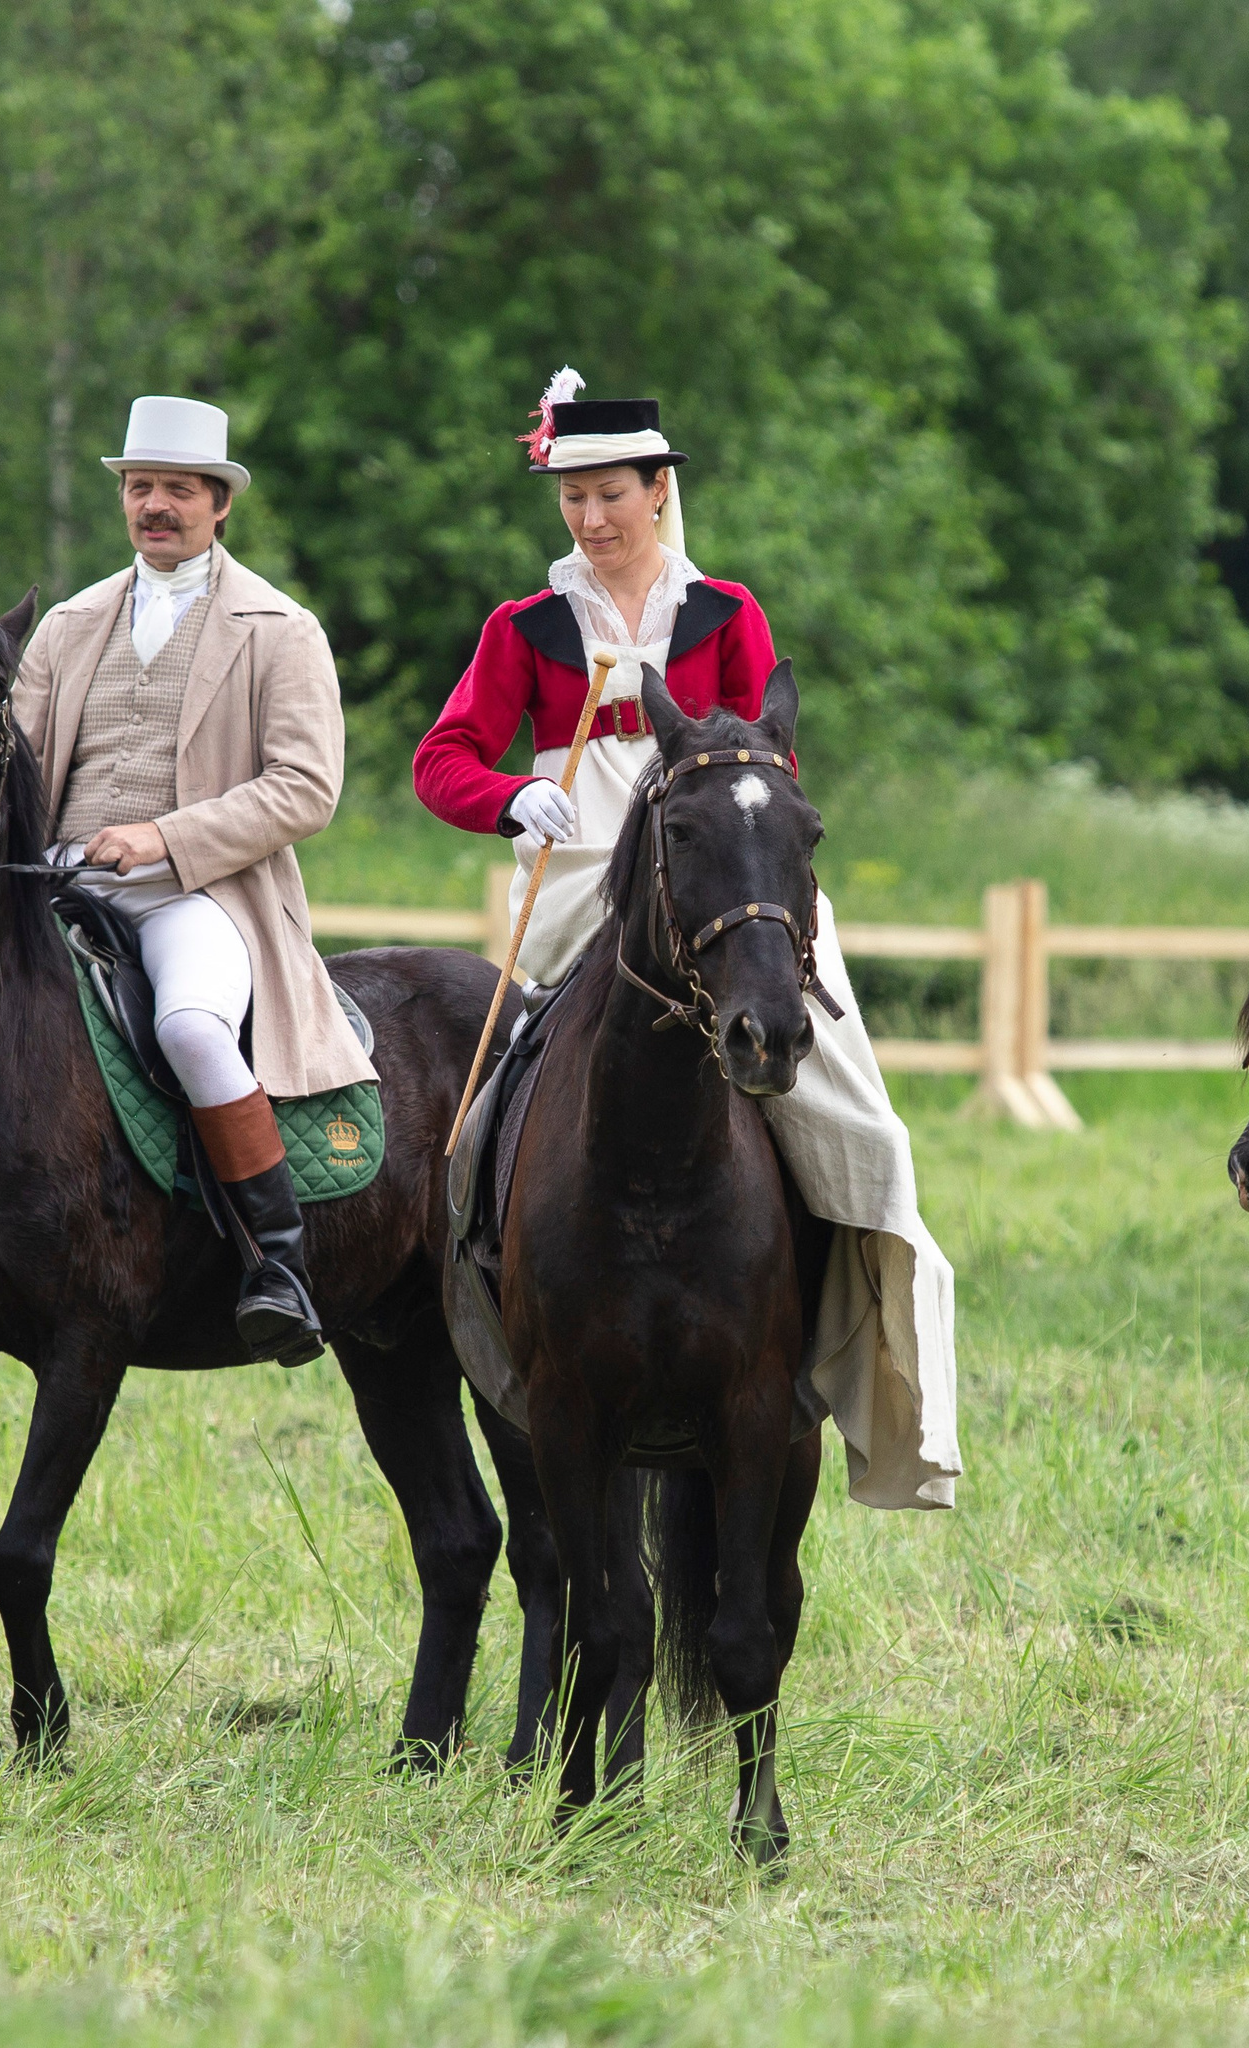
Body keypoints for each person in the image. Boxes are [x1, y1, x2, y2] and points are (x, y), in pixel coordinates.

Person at [411, 369, 961, 1510]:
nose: (591, 519)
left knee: (858, 1108)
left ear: (661, 490)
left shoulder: (728, 612)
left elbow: (774, 758)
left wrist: (719, 821)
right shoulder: (525, 625)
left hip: (724, 872)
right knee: (481, 1113)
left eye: (611, 494)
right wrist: (513, 794)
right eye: (572, 500)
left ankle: (856, 1315)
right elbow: (441, 757)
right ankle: (489, 1270)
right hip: (574, 877)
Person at [11, 394, 374, 1366]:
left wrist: (165, 839)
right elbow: (19, 772)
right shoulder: (68, 624)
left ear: (220, 504)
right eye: (140, 487)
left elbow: (305, 788)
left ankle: (277, 1261)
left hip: (197, 896)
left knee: (190, 1028)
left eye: (177, 488)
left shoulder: (280, 627)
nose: (155, 504)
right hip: (58, 885)